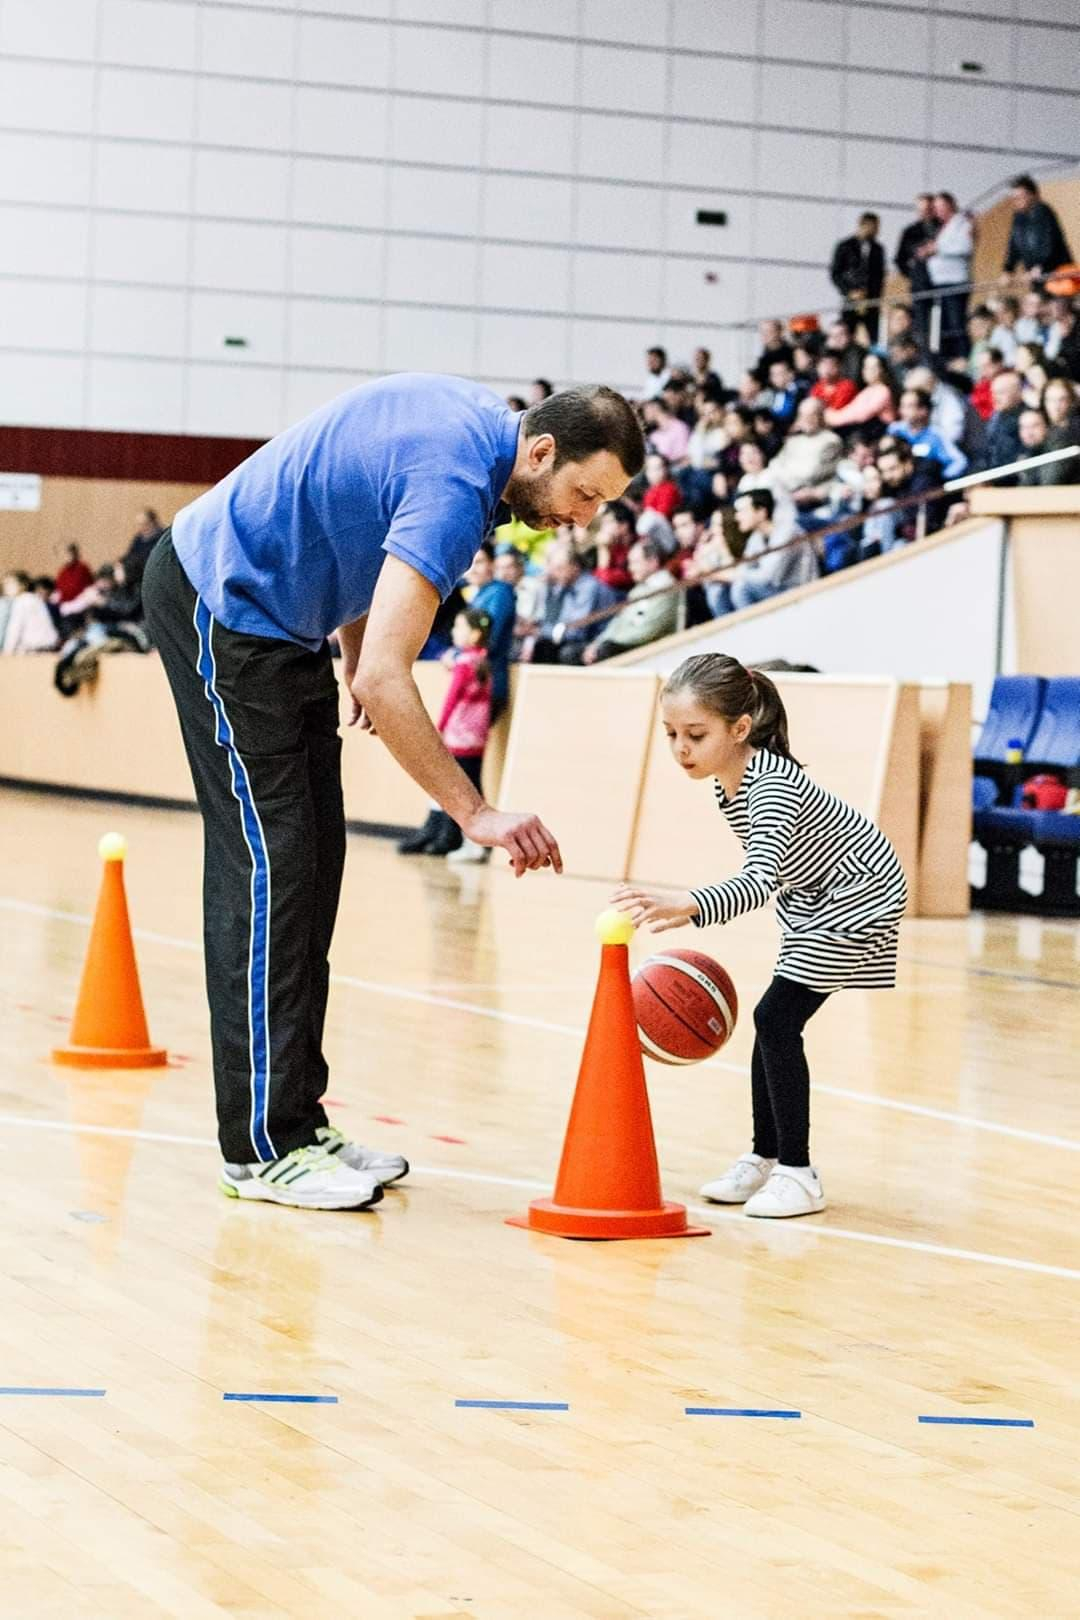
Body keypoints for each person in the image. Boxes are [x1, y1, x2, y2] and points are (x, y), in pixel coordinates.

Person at [142, 375, 641, 1212]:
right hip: (220, 602)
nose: (581, 518)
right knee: (272, 871)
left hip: (285, 624)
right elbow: (386, 677)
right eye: (583, 494)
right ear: (544, 451)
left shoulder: (479, 437)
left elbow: (355, 522)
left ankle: (298, 1121)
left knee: (313, 868)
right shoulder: (457, 482)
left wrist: (349, 646)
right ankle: (262, 1148)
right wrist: (474, 811)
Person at [612, 655, 906, 1217]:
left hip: (861, 895)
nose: (681, 748)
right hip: (819, 898)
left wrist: (690, 905)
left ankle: (798, 1173)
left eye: (696, 735)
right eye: (671, 734)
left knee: (775, 1018)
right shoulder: (731, 784)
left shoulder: (770, 786)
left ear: (739, 729)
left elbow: (761, 879)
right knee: (774, 1021)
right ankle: (766, 1158)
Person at [398, 607, 495, 861]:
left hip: (458, 737)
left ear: (474, 634)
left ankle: (472, 842)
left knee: (461, 788)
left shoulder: (463, 664)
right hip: (476, 738)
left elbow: (452, 700)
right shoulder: (482, 661)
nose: (454, 631)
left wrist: (438, 727)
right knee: (474, 785)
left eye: (459, 627)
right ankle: (465, 839)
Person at [580, 539, 678, 663]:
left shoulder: (666, 587)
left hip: (652, 649)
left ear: (653, 562)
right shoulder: (638, 589)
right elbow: (618, 622)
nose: (631, 568)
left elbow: (648, 631)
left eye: (635, 562)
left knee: (606, 650)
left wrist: (611, 642)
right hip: (625, 643)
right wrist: (597, 643)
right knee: (576, 652)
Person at [729, 488, 817, 611]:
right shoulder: (756, 538)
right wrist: (735, 574)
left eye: (742, 511)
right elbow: (744, 567)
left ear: (761, 512)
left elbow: (768, 577)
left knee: (742, 588)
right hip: (779, 591)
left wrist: (734, 575)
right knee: (725, 587)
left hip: (804, 592)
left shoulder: (788, 532)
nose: (737, 517)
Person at [926, 192, 973, 362]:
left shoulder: (962, 223)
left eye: (941, 207)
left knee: (956, 322)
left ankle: (962, 356)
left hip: (955, 281)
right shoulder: (943, 227)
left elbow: (965, 247)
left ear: (950, 205)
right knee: (945, 324)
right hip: (941, 282)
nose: (938, 212)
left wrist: (938, 249)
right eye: (936, 208)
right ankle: (949, 358)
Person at [1003, 175, 1073, 283]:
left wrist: (1040, 267)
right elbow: (1014, 245)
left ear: (1033, 195)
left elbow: (1049, 244)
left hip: (1057, 275)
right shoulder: (1018, 218)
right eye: (1014, 198)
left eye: (1020, 197)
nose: (1016, 201)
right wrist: (1008, 270)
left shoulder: (1043, 212)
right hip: (1038, 278)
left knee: (1036, 300)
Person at [894, 194, 936, 345]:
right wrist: (912, 275)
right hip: (920, 285)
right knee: (922, 323)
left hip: (943, 283)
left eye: (928, 209)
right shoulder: (910, 232)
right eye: (922, 209)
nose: (925, 212)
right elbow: (899, 260)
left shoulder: (943, 227)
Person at [830, 212, 885, 318]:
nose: (877, 231)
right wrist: (850, 292)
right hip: (850, 300)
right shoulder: (844, 246)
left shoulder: (878, 249)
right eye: (875, 227)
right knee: (848, 331)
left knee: (872, 333)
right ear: (864, 225)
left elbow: (880, 275)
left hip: (871, 302)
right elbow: (835, 274)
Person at [54, 542, 94, 607]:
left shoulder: (83, 568)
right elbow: (58, 591)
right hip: (64, 604)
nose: (68, 556)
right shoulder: (62, 571)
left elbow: (90, 587)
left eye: (70, 553)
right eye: (66, 553)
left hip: (80, 603)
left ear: (76, 554)